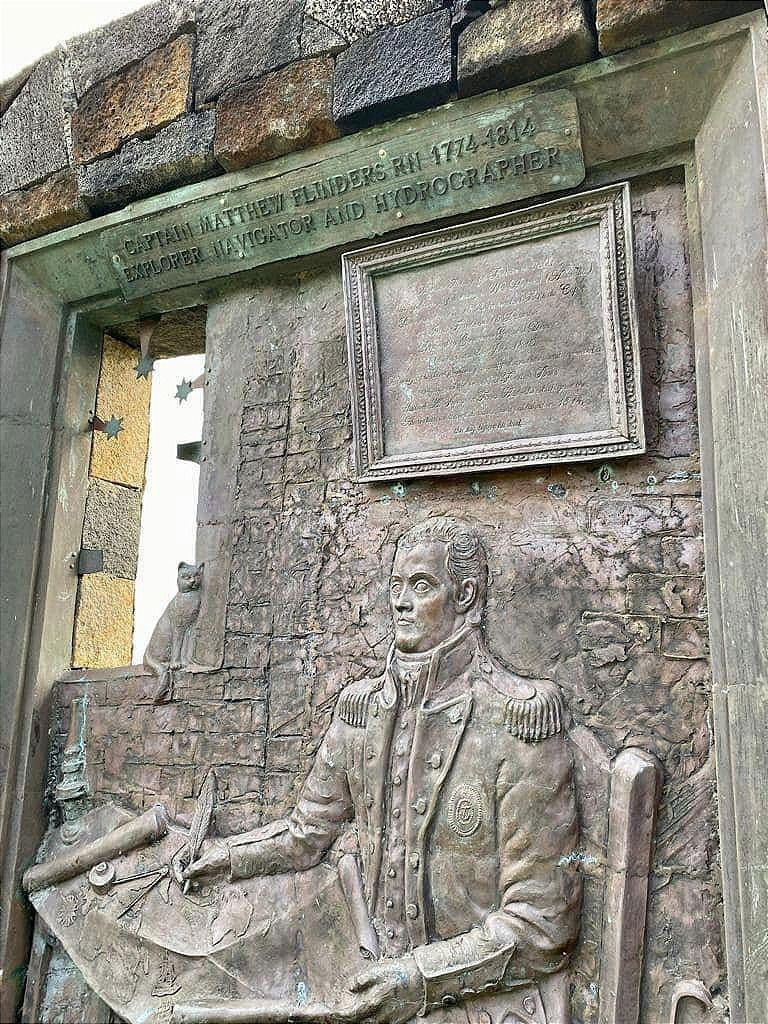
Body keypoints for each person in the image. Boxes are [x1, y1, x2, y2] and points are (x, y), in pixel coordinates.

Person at [184, 516, 581, 1024]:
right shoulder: (361, 712)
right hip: (362, 979)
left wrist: (419, 979)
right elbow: (307, 834)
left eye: (421, 585)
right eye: (396, 586)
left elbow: (541, 925)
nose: (400, 601)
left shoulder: (518, 721)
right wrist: (226, 856)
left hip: (477, 1001)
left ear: (464, 594)